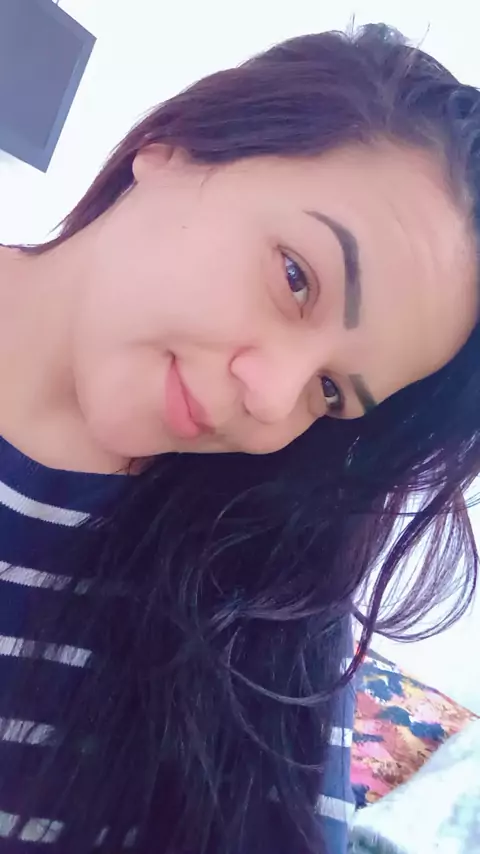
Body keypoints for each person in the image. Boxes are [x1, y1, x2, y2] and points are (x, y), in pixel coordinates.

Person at [0, 20, 479, 854]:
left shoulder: (268, 610)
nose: (271, 397)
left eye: (330, 393)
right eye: (297, 278)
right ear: (177, 147)